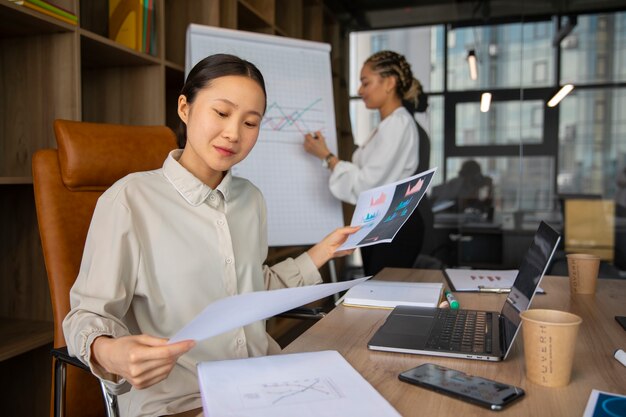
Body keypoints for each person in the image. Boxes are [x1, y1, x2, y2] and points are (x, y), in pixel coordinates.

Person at [63, 54, 359, 417]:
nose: (234, 133)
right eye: (221, 113)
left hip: (265, 383)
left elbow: (247, 290)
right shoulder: (129, 200)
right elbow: (86, 314)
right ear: (185, 108)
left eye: (251, 122)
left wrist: (320, 253)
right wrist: (110, 352)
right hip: (183, 400)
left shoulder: (250, 199)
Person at [303, 50, 429, 276]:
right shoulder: (389, 125)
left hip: (396, 225)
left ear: (389, 83)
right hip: (385, 223)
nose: (360, 91)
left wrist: (327, 157)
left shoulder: (398, 124)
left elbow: (367, 184)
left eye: (365, 82)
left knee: (383, 295)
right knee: (379, 292)